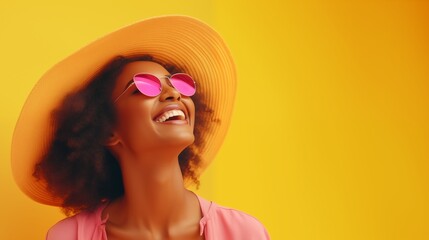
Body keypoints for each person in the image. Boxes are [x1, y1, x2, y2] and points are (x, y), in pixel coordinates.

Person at [11, 16, 269, 240]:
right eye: (143, 87)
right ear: (108, 130)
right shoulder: (69, 236)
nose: (173, 94)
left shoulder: (244, 232)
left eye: (178, 84)